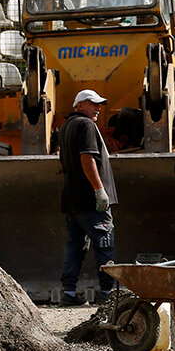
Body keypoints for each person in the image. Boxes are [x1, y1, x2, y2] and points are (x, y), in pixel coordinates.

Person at [58, 89, 118, 305]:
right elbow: (87, 159)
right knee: (104, 243)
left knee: (74, 246)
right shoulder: (86, 125)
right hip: (91, 200)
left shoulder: (66, 127)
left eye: (99, 104)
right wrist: (99, 190)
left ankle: (69, 293)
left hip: (72, 199)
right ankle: (108, 294)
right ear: (80, 105)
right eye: (93, 104)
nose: (98, 109)